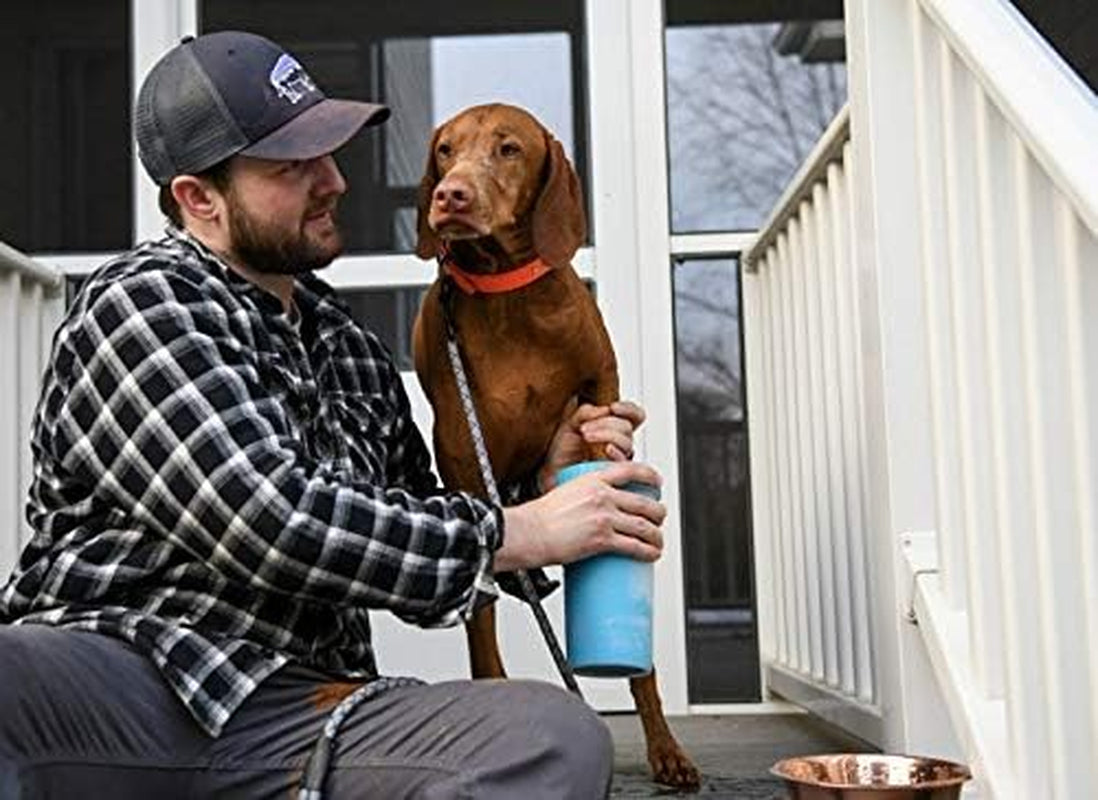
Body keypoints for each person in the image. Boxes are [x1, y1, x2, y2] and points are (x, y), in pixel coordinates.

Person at [0, 30, 667, 800]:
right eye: (292, 165)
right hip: (116, 688)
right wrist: (524, 531)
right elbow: (268, 519)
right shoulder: (143, 303)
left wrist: (538, 490)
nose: (334, 181)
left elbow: (427, 529)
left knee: (555, 738)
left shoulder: (347, 347)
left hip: (307, 717)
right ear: (198, 199)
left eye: (329, 151)